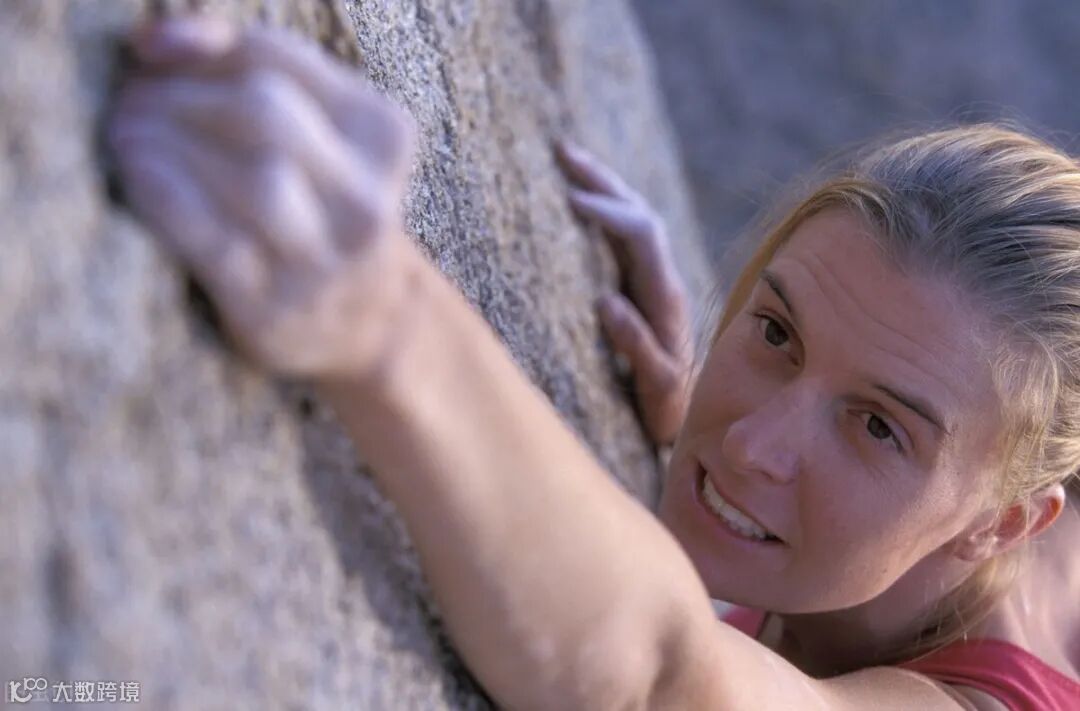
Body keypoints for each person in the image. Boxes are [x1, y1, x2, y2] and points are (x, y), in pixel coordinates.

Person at [108, 16, 1079, 710]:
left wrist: (380, 307)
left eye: (876, 427)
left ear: (1000, 524)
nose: (750, 444)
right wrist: (681, 404)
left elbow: (663, 679)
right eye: (778, 332)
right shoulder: (950, 501)